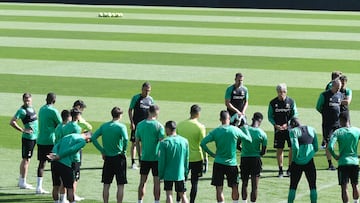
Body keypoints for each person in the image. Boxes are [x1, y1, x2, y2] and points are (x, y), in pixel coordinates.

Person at [201, 110, 252, 203]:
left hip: (218, 163)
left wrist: (212, 154)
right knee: (234, 186)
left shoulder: (216, 131)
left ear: (220, 119)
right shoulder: (235, 130)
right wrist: (245, 128)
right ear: (229, 118)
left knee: (219, 188)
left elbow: (203, 143)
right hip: (232, 164)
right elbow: (249, 140)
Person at [92, 107, 128, 203]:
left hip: (108, 158)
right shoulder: (121, 127)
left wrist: (102, 150)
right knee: (120, 184)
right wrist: (124, 151)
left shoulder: (104, 126)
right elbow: (126, 139)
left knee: (106, 184)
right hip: (119, 158)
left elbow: (93, 138)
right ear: (120, 115)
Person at [176, 104, 207, 203]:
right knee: (194, 183)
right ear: (198, 114)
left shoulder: (180, 125)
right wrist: (205, 158)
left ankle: (178, 200)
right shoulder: (200, 127)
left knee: (181, 181)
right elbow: (203, 144)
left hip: (183, 158)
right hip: (196, 158)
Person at [48, 132, 91, 203]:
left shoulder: (68, 135)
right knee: (69, 188)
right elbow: (72, 150)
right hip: (65, 164)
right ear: (88, 138)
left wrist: (54, 154)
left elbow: (57, 144)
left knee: (56, 186)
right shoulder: (82, 141)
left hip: (55, 162)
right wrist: (59, 156)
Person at [328, 112, 360, 203]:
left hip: (343, 163)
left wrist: (335, 156)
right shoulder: (357, 131)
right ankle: (356, 201)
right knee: (355, 185)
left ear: (341, 120)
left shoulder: (338, 132)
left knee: (344, 187)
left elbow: (330, 147)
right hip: (354, 162)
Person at [135, 105, 165, 203]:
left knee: (142, 182)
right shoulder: (159, 126)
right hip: (156, 158)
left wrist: (139, 156)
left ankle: (140, 201)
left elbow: (137, 142)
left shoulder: (140, 125)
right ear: (156, 113)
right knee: (157, 182)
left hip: (144, 157)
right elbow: (162, 144)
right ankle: (156, 201)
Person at [268, 83, 298, 177]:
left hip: (290, 130)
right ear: (277, 92)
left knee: (291, 148)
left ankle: (289, 168)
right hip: (278, 130)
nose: (282, 94)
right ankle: (280, 169)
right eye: (280, 92)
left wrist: (288, 124)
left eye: (284, 92)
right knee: (279, 149)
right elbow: (270, 116)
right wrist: (275, 125)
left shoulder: (291, 102)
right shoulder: (273, 103)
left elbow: (295, 114)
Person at [9, 93, 38, 190]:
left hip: (34, 138)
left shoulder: (32, 108)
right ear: (23, 100)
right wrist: (22, 130)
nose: (27, 101)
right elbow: (12, 122)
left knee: (27, 159)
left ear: (31, 100)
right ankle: (23, 182)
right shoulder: (22, 111)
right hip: (28, 138)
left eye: (28, 99)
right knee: (26, 160)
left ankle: (21, 181)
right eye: (25, 100)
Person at [287, 118, 318, 203]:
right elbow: (316, 147)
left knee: (293, 186)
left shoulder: (293, 132)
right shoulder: (312, 129)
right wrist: (309, 155)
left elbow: (295, 147)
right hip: (310, 162)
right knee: (313, 186)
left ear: (293, 124)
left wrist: (295, 158)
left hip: (297, 163)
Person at [239, 112, 267, 203]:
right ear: (260, 121)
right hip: (255, 160)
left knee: (244, 183)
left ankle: (244, 202)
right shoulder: (262, 133)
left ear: (252, 119)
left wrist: (243, 150)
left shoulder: (243, 129)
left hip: (244, 159)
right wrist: (257, 153)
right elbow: (263, 151)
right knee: (255, 185)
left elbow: (237, 145)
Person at [158, 121, 189, 203]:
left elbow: (161, 161)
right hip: (180, 173)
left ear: (168, 129)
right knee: (183, 194)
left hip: (168, 174)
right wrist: (185, 172)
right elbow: (186, 159)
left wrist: (160, 174)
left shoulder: (164, 143)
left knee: (169, 194)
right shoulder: (184, 141)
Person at [37, 92, 62, 194]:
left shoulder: (41, 109)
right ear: (54, 101)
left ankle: (38, 187)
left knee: (41, 164)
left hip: (41, 139)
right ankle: (56, 189)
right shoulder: (54, 111)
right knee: (55, 165)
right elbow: (60, 124)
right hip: (51, 140)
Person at [316, 79, 343, 170]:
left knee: (341, 142)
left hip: (337, 123)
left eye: (340, 88)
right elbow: (318, 107)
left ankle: (341, 162)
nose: (339, 89)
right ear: (333, 86)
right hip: (328, 124)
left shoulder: (340, 95)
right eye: (337, 88)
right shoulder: (324, 95)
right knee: (328, 143)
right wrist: (325, 114)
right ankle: (330, 164)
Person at [128, 82, 154, 169]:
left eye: (149, 91)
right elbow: (130, 110)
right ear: (142, 89)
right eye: (146, 90)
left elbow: (153, 112)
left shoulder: (150, 99)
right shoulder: (136, 98)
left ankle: (141, 160)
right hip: (137, 125)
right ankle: (133, 162)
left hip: (146, 126)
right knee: (135, 143)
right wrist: (132, 122)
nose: (147, 92)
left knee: (144, 143)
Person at [72, 100, 92, 201]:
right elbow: (89, 128)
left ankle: (63, 197)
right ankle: (72, 195)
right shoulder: (78, 121)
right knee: (75, 174)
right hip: (76, 151)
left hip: (65, 150)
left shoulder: (68, 118)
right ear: (78, 107)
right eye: (82, 108)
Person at [54, 109, 71, 203]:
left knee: (56, 182)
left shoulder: (58, 127)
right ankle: (63, 199)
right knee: (63, 180)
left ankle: (59, 200)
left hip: (55, 153)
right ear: (68, 117)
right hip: (62, 155)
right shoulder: (66, 128)